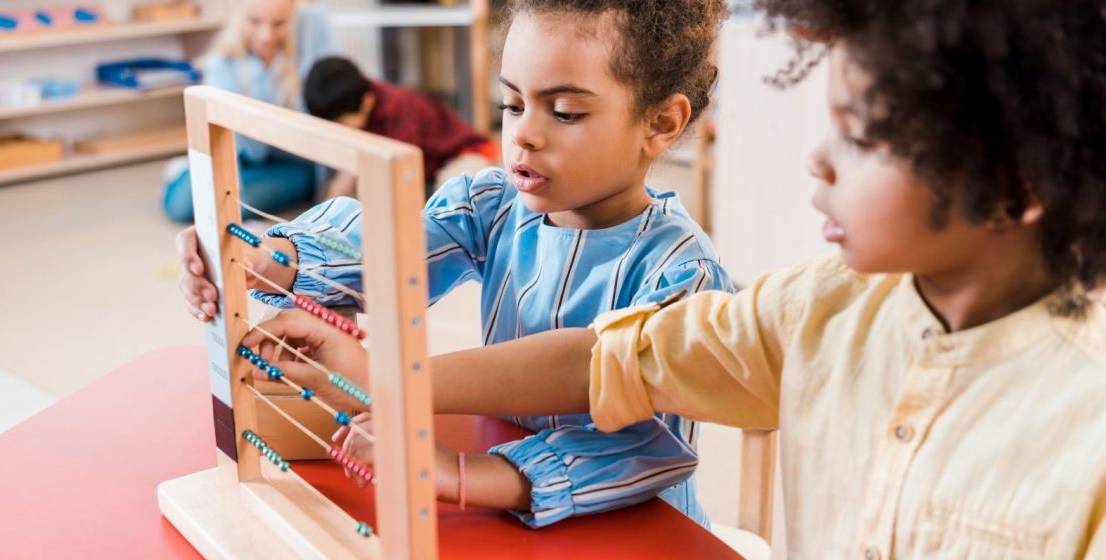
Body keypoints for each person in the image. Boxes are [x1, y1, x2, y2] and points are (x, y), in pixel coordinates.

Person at [245, 0, 1106, 556]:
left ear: (1014, 181)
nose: (816, 158)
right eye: (513, 103)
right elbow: (609, 361)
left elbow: (634, 424)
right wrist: (279, 267)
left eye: (864, 135)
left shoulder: (1082, 422)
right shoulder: (815, 311)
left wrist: (415, 409)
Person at [178, 0, 729, 530]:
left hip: (636, 535)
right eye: (511, 105)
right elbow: (389, 248)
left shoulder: (684, 276)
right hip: (513, 519)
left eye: (565, 112)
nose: (523, 135)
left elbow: (639, 438)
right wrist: (269, 260)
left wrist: (459, 470)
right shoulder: (493, 206)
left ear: (660, 123)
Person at [161, 0, 337, 223]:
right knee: (182, 204)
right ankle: (185, 172)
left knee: (227, 205)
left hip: (294, 160)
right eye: (255, 21)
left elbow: (328, 108)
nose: (266, 36)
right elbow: (244, 146)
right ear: (239, 14)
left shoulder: (311, 35)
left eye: (279, 23)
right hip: (247, 155)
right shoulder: (222, 63)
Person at [303, 56, 500, 199]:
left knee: (458, 193)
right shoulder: (345, 109)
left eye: (343, 125)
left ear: (367, 103)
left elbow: (405, 174)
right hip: (423, 170)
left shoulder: (397, 108)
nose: (339, 132)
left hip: (458, 154)